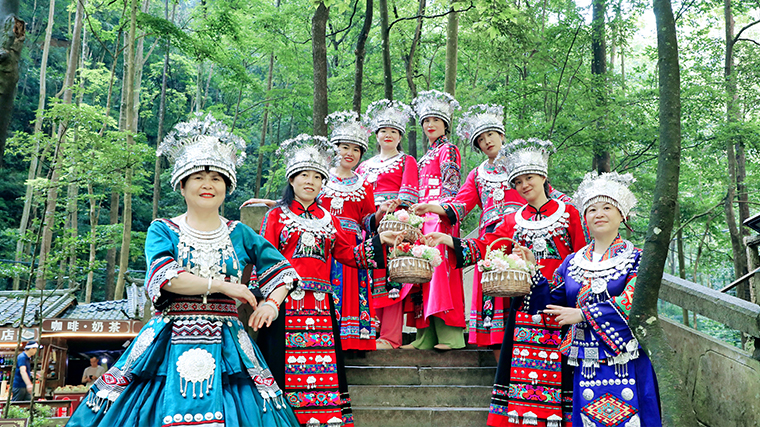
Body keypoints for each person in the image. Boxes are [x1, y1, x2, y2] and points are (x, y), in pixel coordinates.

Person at [67, 113, 301, 427]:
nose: (208, 185)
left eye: (216, 178)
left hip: (228, 340)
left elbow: (284, 271)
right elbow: (168, 278)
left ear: (227, 186)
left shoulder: (240, 234)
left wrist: (272, 304)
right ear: (182, 184)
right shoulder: (163, 229)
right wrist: (224, 286)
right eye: (199, 178)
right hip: (167, 334)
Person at [425, 138, 586, 427]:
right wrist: (447, 239)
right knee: (527, 372)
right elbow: (486, 246)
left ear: (543, 177)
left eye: (529, 178)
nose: (524, 185)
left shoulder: (569, 213)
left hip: (562, 305)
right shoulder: (512, 221)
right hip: (525, 307)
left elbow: (582, 254)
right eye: (518, 181)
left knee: (562, 374)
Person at [257, 134, 401, 427]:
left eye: (316, 177)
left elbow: (349, 254)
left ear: (323, 183)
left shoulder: (329, 220)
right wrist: (264, 299)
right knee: (282, 367)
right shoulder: (276, 216)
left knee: (323, 371)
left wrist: (379, 241)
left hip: (322, 307)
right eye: (303, 175)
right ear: (292, 180)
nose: (310, 182)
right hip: (284, 304)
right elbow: (264, 259)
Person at [540, 172, 662, 427]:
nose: (599, 214)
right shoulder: (571, 262)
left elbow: (634, 302)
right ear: (584, 218)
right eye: (592, 209)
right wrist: (531, 273)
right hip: (586, 359)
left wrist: (583, 314)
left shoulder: (637, 259)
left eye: (607, 207)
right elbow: (549, 301)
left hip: (627, 356)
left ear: (621, 215)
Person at [412, 104, 525, 356]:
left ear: (502, 135)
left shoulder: (521, 166)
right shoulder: (477, 174)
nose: (487, 142)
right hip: (490, 239)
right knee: (494, 290)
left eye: (490, 135)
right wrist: (431, 207)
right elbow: (461, 204)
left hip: (520, 234)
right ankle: (497, 355)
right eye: (481, 140)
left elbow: (541, 192)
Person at [402, 89, 465, 351]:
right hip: (423, 218)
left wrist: (437, 210)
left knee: (441, 275)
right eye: (426, 120)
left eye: (436, 120)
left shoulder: (449, 150)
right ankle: (424, 335)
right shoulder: (425, 155)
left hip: (440, 218)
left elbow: (452, 187)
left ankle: (450, 335)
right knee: (422, 275)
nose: (430, 124)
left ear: (445, 124)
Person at [356, 99, 418, 350]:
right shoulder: (363, 166)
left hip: (395, 223)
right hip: (369, 225)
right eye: (383, 130)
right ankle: (371, 329)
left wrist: (392, 212)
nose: (388, 135)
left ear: (400, 136)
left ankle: (391, 336)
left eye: (394, 131)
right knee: (371, 276)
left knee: (393, 276)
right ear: (376, 135)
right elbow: (357, 198)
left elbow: (410, 195)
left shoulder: (407, 161)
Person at [320, 111, 379, 351]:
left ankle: (351, 338)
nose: (350, 153)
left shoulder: (364, 185)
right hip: (323, 242)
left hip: (352, 246)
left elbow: (368, 221)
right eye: (345, 147)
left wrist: (382, 213)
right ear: (334, 149)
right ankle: (324, 333)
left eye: (356, 149)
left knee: (352, 289)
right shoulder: (320, 178)